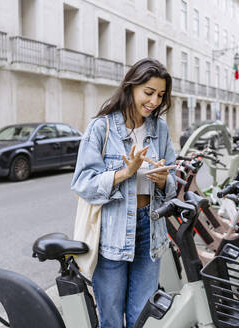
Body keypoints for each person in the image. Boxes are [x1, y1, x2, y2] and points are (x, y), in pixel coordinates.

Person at [71, 58, 176, 328]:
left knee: (143, 317)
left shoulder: (159, 129)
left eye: (160, 95)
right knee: (111, 319)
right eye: (149, 93)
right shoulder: (101, 128)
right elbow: (83, 183)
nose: (154, 101)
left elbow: (173, 182)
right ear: (131, 87)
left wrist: (164, 181)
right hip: (112, 233)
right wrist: (124, 173)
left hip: (150, 231)